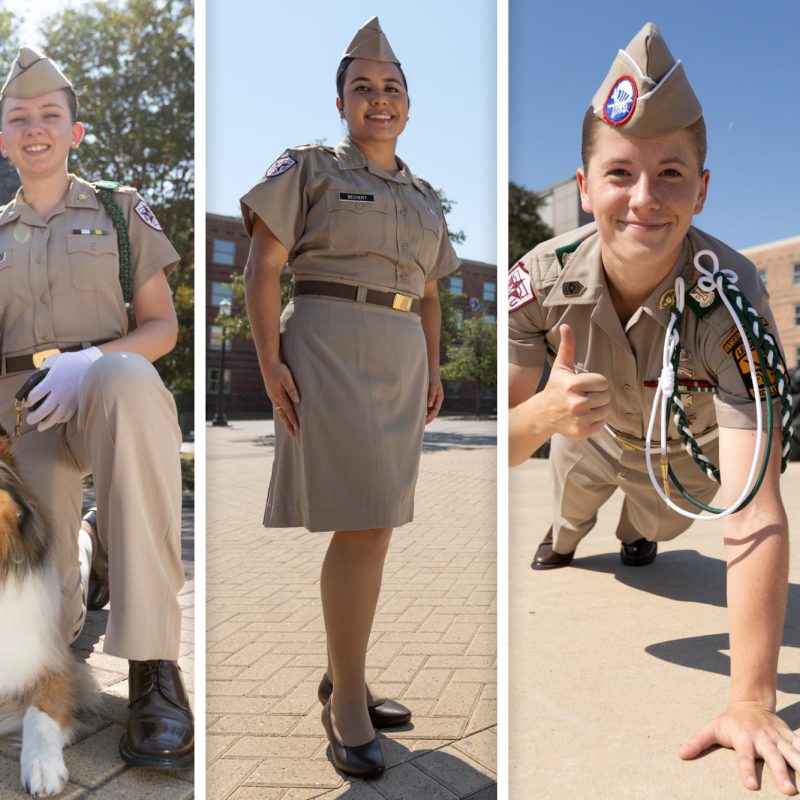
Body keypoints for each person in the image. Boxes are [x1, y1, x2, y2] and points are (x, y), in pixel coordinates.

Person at [509, 23, 798, 793]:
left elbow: (754, 508)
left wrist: (751, 698)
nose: (644, 199)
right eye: (620, 173)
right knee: (573, 508)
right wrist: (543, 415)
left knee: (654, 532)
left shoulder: (731, 299)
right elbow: (497, 443)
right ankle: (567, 538)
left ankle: (636, 535)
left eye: (671, 173)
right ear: (583, 184)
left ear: (702, 189)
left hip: (681, 459)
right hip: (586, 438)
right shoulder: (538, 278)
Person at [0, 46, 193, 769]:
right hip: (23, 408)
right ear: (3, 141)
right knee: (42, 618)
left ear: (74, 131)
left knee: (123, 379)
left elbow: (163, 326)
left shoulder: (119, 211)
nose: (35, 128)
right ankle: (91, 549)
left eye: (50, 116)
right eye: (19, 119)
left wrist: (94, 361)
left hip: (108, 389)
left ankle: (153, 669)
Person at [241, 18, 460, 779]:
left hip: (400, 356)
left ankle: (350, 676)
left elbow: (433, 294)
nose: (379, 98)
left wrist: (434, 366)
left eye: (391, 88)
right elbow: (262, 268)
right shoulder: (308, 168)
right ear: (340, 102)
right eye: (362, 87)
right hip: (330, 343)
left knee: (382, 523)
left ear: (408, 105)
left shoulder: (424, 196)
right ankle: (344, 704)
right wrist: (269, 363)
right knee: (364, 523)